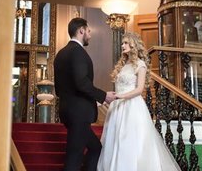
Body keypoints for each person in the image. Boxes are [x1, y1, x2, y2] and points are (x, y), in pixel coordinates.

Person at [97, 32, 180, 171]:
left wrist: (119, 97)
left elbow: (139, 89)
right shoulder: (123, 65)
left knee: (128, 142)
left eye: (125, 43)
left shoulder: (140, 64)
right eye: (122, 43)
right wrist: (105, 100)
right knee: (115, 142)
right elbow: (118, 89)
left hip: (131, 107)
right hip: (117, 109)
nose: (122, 45)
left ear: (133, 44)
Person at [54, 17, 117, 171]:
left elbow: (59, 88)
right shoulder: (78, 52)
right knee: (73, 160)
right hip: (79, 113)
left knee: (95, 148)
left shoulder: (61, 53)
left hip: (67, 109)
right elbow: (81, 82)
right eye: (88, 31)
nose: (90, 34)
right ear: (81, 30)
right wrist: (104, 96)